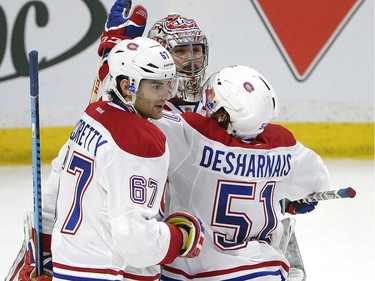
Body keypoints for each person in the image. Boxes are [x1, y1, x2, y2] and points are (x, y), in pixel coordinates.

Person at [9, 37, 205, 281]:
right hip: (112, 274)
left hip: (69, 270)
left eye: (168, 84)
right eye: (156, 86)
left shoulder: (92, 115)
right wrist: (179, 239)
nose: (167, 94)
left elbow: (54, 190)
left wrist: (45, 250)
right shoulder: (139, 140)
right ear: (126, 86)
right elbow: (135, 242)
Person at [151, 65, 330, 280]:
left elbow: (143, 116)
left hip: (195, 271)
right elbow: (317, 183)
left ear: (224, 115)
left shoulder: (193, 135)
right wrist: (292, 200)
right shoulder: (284, 145)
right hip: (264, 270)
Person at [97, 0, 209, 115]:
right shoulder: (141, 101)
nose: (190, 58)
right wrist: (113, 50)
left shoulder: (216, 100)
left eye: (196, 50)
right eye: (180, 51)